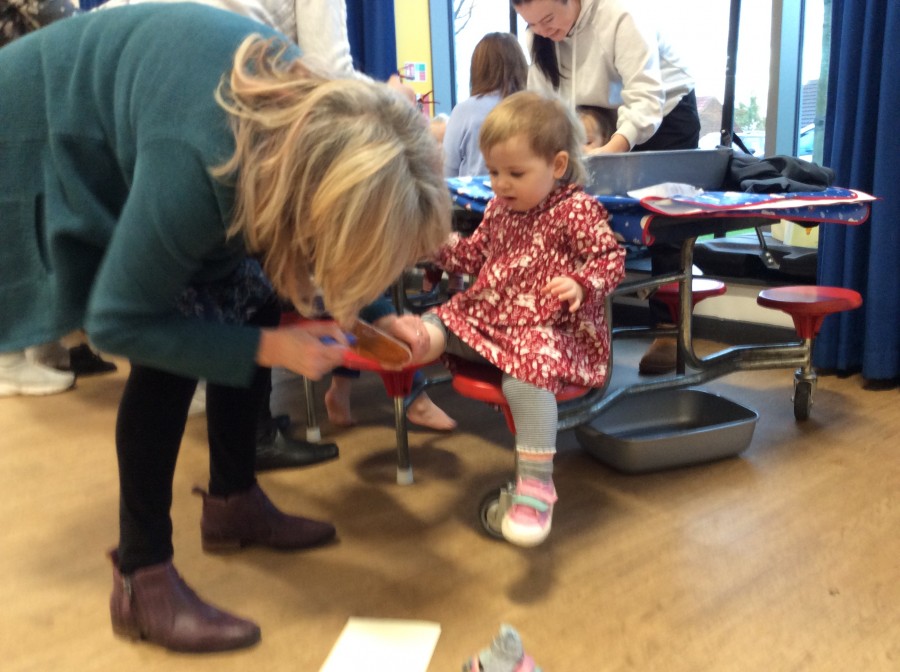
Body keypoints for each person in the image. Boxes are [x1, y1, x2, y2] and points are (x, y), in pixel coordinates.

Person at [0, 3, 450, 653]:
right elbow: (118, 323)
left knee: (252, 293)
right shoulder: (203, 156)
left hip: (158, 127)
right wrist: (273, 348)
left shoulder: (318, 126)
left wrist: (380, 312)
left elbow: (333, 230)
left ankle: (233, 502)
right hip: (30, 134)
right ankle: (141, 580)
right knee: (170, 351)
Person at [413, 91, 625, 547]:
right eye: (493, 172)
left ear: (558, 165)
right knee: (444, 317)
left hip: (550, 331)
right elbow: (474, 256)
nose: (501, 184)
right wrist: (435, 245)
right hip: (494, 317)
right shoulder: (498, 209)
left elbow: (610, 260)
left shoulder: (575, 210)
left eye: (515, 173)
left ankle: (535, 487)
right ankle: (416, 344)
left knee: (526, 373)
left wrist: (581, 283)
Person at [511, 0, 701, 375]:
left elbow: (645, 100)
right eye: (533, 24)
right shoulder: (540, 36)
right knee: (573, 214)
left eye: (548, 19)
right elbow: (541, 109)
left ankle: (670, 330)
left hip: (664, 112)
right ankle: (569, 324)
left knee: (665, 226)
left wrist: (606, 154)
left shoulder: (621, 14)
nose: (543, 31)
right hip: (600, 119)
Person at [443, 31, 528, 179]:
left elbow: (448, 169)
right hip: (524, 192)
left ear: (478, 68)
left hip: (473, 192)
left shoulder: (465, 111)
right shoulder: (531, 109)